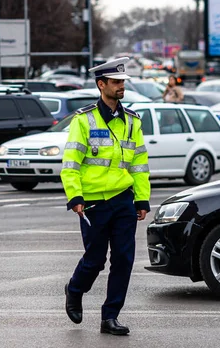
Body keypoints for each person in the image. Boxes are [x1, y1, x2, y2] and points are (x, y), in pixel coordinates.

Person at [61, 57, 150, 336]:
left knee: (124, 259)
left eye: (123, 81)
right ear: (102, 85)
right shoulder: (83, 120)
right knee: (95, 260)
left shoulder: (132, 121)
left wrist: (142, 199)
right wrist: (75, 197)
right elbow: (71, 163)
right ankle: (74, 289)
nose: (121, 86)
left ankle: (110, 316)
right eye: (116, 82)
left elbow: (139, 163)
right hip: (93, 203)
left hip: (123, 200)